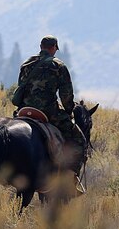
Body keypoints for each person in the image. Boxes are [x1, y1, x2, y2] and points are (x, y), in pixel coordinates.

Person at [11, 35, 87, 179]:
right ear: (53, 48)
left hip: (24, 109)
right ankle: (70, 178)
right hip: (48, 111)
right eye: (55, 49)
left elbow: (21, 86)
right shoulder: (58, 66)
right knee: (78, 139)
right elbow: (66, 96)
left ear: (41, 47)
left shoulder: (27, 64)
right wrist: (69, 111)